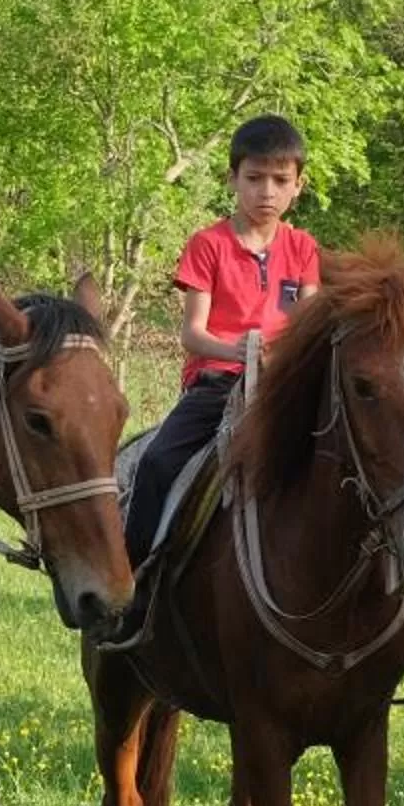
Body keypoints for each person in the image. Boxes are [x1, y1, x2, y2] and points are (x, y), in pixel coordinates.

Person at [124, 113, 324, 570]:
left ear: (299, 185)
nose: (266, 192)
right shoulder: (207, 245)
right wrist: (237, 350)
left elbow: (310, 324)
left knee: (358, 456)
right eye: (254, 178)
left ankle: (395, 582)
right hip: (217, 384)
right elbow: (192, 334)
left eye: (280, 180)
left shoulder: (303, 248)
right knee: (156, 462)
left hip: (285, 387)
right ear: (232, 178)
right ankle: (132, 580)